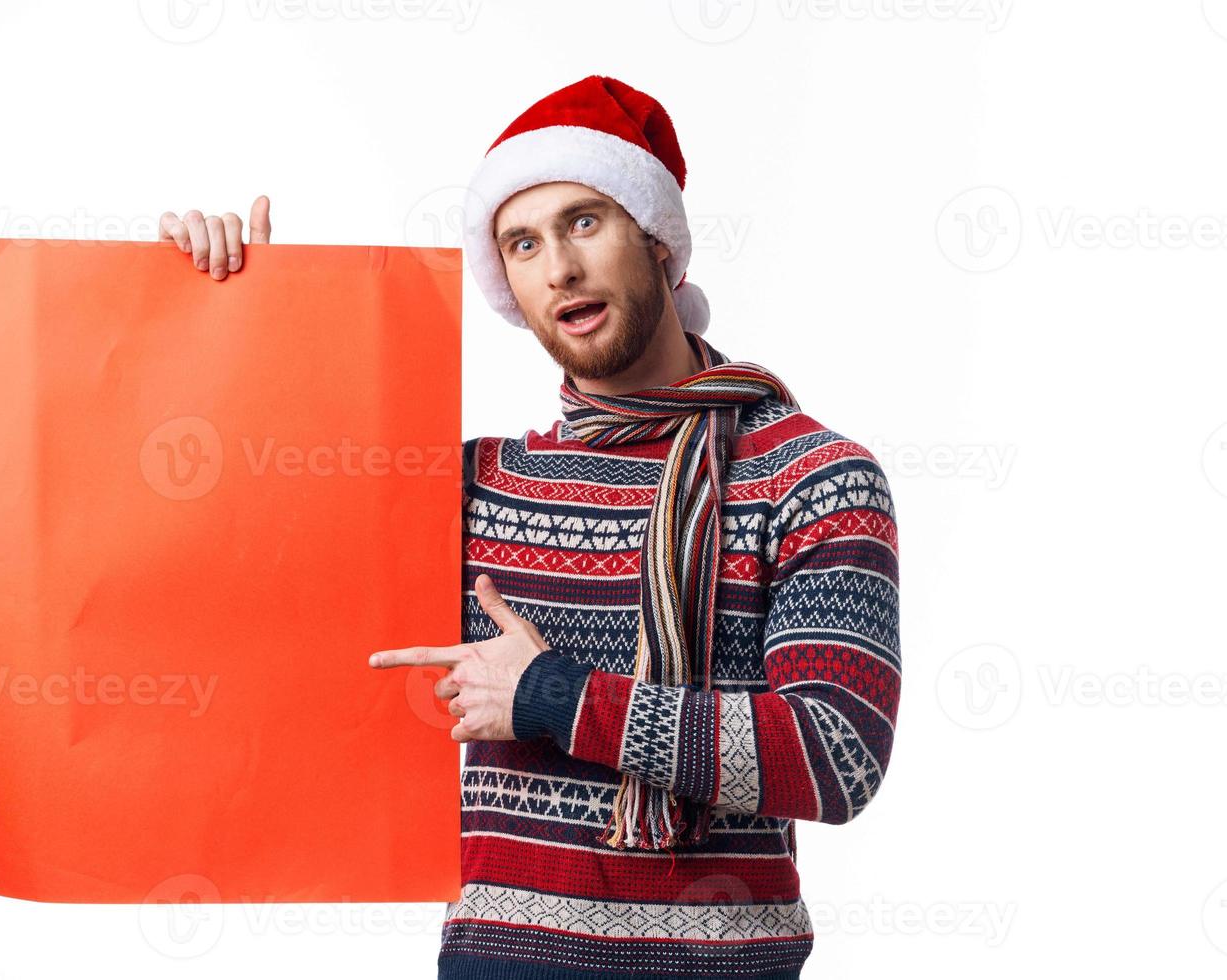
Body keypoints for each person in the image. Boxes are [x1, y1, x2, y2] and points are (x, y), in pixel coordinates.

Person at [160, 74, 901, 980]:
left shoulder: (815, 477)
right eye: (523, 242)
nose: (559, 267)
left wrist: (556, 695)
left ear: (660, 243)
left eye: (585, 222)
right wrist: (242, 317)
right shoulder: (469, 486)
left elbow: (837, 755)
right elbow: (239, 562)